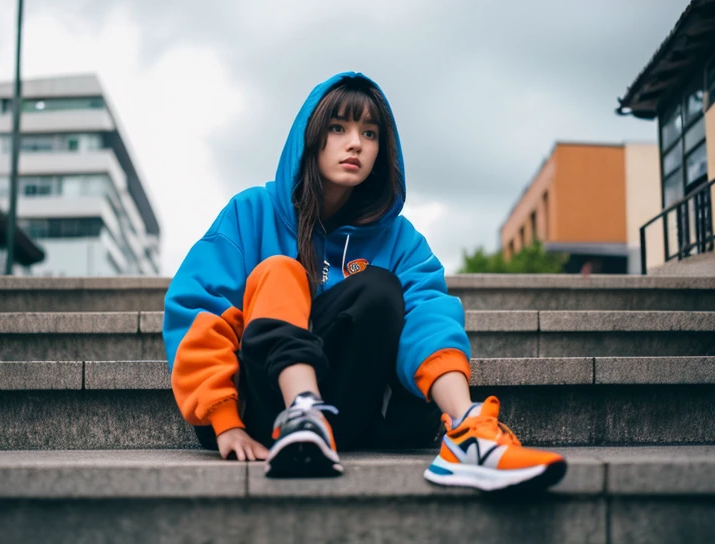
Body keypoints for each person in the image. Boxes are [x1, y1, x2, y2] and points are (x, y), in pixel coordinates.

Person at [163, 71, 566, 491]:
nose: (355, 143)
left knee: (381, 288)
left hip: (349, 410)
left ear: (381, 150)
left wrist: (460, 412)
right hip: (257, 411)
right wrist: (224, 420)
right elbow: (197, 309)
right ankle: (303, 413)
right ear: (311, 136)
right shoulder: (253, 212)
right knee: (281, 270)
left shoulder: (400, 240)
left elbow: (429, 319)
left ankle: (468, 437)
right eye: (338, 128)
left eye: (369, 133)